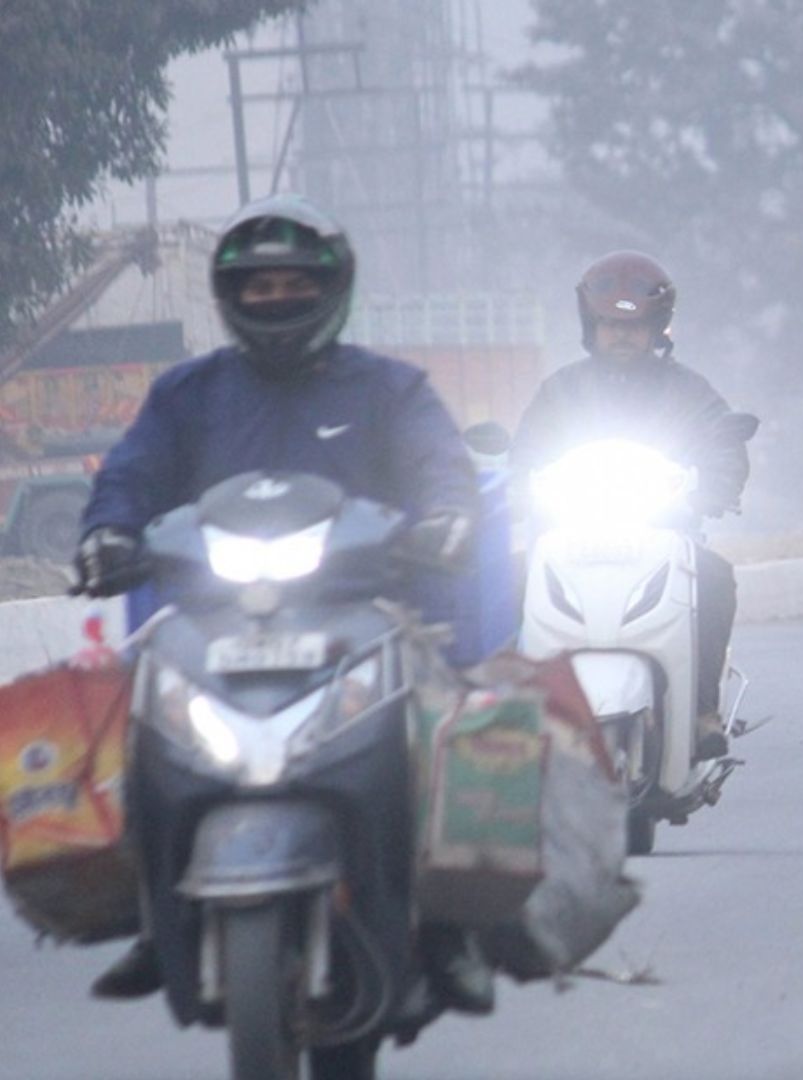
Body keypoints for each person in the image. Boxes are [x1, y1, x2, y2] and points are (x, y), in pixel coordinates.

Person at [72, 194, 493, 1013]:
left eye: (294, 283)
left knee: (451, 729)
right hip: (210, 617)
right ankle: (154, 921)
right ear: (231, 298)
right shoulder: (186, 395)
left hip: (367, 611)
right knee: (130, 729)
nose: (275, 299)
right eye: (258, 287)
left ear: (333, 288)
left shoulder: (391, 390)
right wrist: (107, 534)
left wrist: (447, 519)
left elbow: (442, 469)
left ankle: (447, 934)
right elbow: (129, 476)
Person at [513, 251, 753, 761]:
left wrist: (717, 484)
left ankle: (700, 711)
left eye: (635, 325)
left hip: (665, 535)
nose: (622, 335)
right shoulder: (561, 391)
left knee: (714, 578)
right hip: (568, 535)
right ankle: (503, 713)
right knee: (508, 577)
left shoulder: (690, 391)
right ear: (589, 325)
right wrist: (517, 486)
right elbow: (524, 454)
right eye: (609, 324)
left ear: (658, 328)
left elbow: (724, 444)